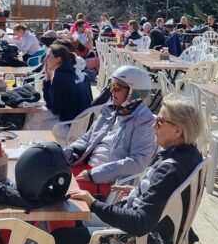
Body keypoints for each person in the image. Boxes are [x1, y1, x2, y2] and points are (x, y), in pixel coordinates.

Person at [55, 94, 204, 244]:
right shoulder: (191, 156)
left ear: (178, 130)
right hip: (161, 237)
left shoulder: (170, 168)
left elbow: (140, 223)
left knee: (60, 238)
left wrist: (93, 203)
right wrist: (139, 191)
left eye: (160, 121)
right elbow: (166, 197)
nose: (154, 125)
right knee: (76, 219)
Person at [62, 65, 157, 196]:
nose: (112, 91)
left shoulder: (145, 122)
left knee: (62, 191)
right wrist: (70, 150)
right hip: (86, 168)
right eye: (111, 85)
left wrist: (95, 174)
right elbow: (88, 138)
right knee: (47, 176)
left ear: (134, 93)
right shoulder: (111, 111)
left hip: (108, 181)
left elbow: (138, 162)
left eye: (117, 87)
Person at [44, 43, 93, 139]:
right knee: (38, 116)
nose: (46, 59)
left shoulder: (60, 77)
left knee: (34, 120)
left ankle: (30, 146)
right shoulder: (71, 71)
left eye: (49, 56)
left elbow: (55, 109)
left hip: (72, 127)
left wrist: (47, 80)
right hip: (82, 123)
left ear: (59, 59)